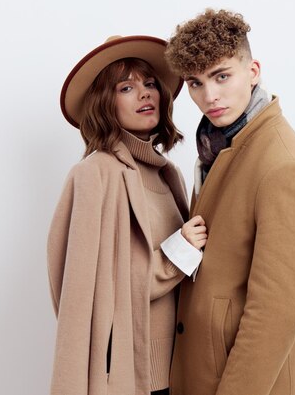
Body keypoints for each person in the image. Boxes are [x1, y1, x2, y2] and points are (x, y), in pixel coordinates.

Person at [163, 9, 295, 395]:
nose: (209, 96)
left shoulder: (283, 165)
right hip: (202, 370)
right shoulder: (217, 145)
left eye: (222, 76)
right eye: (195, 83)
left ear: (252, 71)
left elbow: (276, 311)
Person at [47, 35, 206, 395]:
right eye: (126, 87)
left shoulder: (170, 176)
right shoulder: (95, 174)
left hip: (179, 371)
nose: (145, 93)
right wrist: (179, 251)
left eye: (150, 84)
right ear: (105, 102)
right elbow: (92, 289)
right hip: (125, 376)